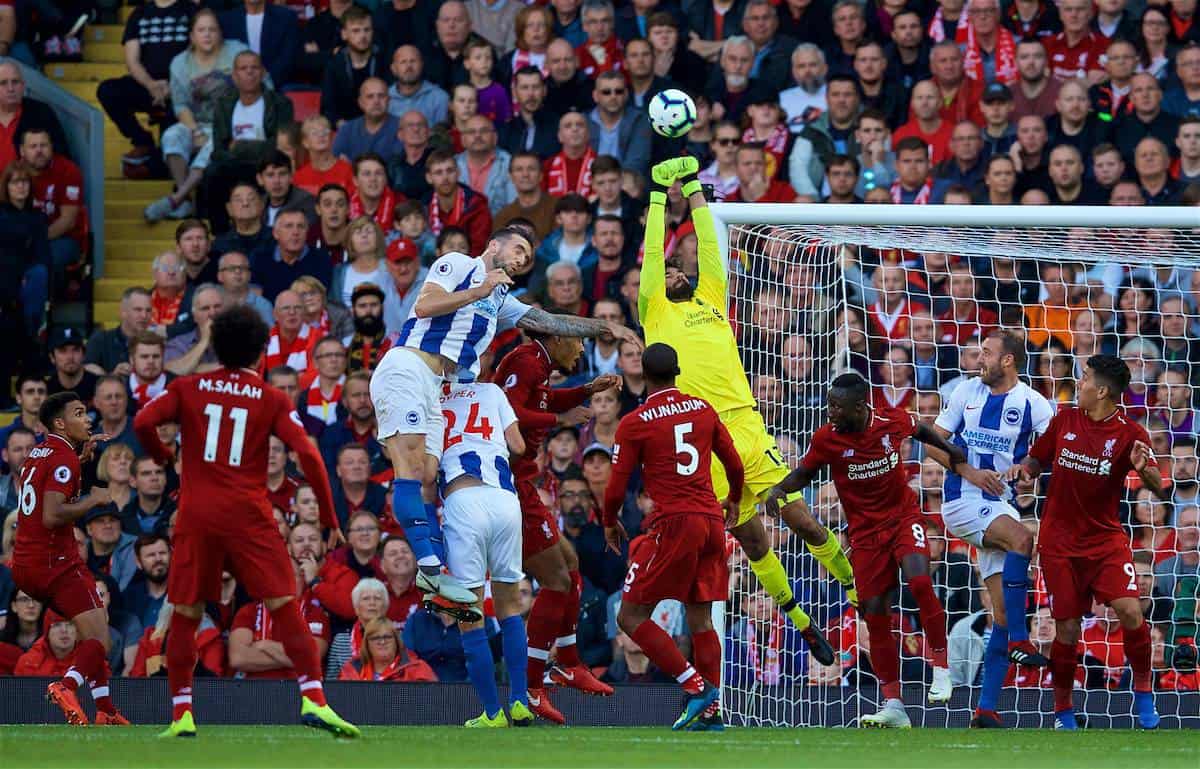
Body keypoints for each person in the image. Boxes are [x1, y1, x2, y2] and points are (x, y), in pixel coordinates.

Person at [369, 224, 638, 622]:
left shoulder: (499, 299)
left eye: (527, 258)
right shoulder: (458, 264)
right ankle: (431, 573)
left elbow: (551, 322)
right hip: (409, 366)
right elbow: (426, 306)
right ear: (493, 244)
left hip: (436, 384)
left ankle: (434, 568)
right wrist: (478, 289)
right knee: (410, 473)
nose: (520, 260)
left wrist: (605, 327)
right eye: (517, 250)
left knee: (427, 474)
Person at [640, 156, 847, 652]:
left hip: (746, 429)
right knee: (752, 541)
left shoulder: (712, 295)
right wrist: (655, 196)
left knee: (799, 518)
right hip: (702, 442)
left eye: (676, 269)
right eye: (666, 273)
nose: (671, 274)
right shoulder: (656, 314)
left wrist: (693, 192)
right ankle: (800, 621)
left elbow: (709, 246)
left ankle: (855, 589)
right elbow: (650, 257)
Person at [132, 305, 357, 738]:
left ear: (216, 346)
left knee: (185, 612)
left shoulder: (189, 386)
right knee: (281, 603)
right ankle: (314, 698)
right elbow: (308, 454)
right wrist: (329, 517)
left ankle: (182, 713)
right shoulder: (271, 398)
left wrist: (165, 458)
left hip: (197, 515)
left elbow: (143, 421)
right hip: (249, 516)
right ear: (261, 353)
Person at [765, 372, 968, 727]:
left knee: (920, 581)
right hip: (865, 535)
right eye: (829, 405)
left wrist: (952, 453)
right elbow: (806, 473)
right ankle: (894, 706)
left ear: (859, 407)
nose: (830, 413)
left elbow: (921, 429)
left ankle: (941, 667)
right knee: (873, 612)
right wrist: (779, 490)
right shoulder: (827, 438)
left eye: (836, 407)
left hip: (904, 519)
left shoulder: (889, 420)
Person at [1006, 354, 1165, 730]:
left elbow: (1159, 487)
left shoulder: (1131, 434)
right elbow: (1035, 460)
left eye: (1085, 378)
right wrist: (1025, 473)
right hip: (1059, 543)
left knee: (1130, 611)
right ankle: (1063, 711)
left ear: (1103, 390)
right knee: (1066, 628)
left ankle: (1143, 694)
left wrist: (1145, 472)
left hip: (1105, 541)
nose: (1079, 383)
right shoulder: (1064, 419)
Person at [924, 330, 1055, 728]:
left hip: (1002, 505)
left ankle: (985, 709)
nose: (978, 359)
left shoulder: (1034, 404)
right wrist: (969, 471)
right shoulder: (965, 391)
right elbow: (930, 443)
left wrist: (1029, 469)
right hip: (962, 500)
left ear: (1008, 361)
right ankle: (1020, 638)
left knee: (1001, 612)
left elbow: (1050, 452)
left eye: (986, 353)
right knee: (1023, 539)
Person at [601, 343, 736, 730]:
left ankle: (697, 689)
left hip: (675, 524)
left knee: (630, 615)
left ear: (643, 375)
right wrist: (735, 500)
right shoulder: (703, 409)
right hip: (712, 520)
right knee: (701, 619)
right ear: (678, 371)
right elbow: (734, 463)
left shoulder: (636, 421)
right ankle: (712, 716)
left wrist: (610, 520)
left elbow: (616, 487)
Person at [493, 325, 620, 724]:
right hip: (508, 482)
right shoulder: (528, 361)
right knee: (556, 580)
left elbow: (543, 399)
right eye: (577, 340)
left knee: (570, 565)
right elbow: (510, 412)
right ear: (557, 338)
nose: (581, 348)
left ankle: (567, 662)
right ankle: (532, 688)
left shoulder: (540, 366)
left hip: (521, 482)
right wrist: (559, 416)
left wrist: (585, 390)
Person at [10, 391, 129, 725]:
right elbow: (52, 514)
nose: (88, 418)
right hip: (55, 563)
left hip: (25, 566)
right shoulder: (63, 458)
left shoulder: (41, 450)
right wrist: (95, 499)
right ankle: (65, 686)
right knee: (100, 639)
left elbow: (51, 483)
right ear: (60, 423)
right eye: (79, 413)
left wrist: (80, 456)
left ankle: (105, 710)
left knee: (92, 632)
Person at [435, 380, 533, 725]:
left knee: (469, 614)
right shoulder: (492, 391)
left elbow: (421, 464)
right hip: (505, 499)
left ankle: (493, 712)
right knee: (510, 606)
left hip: (463, 499)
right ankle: (520, 699)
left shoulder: (430, 397)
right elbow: (518, 445)